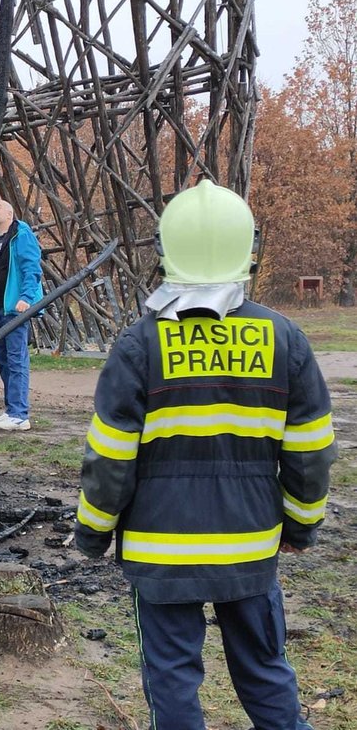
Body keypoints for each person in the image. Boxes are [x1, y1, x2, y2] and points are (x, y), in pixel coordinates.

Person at [75, 180, 336, 730]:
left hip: (162, 549)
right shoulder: (284, 339)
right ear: (249, 250)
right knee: (265, 667)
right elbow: (311, 453)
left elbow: (110, 458)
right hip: (250, 546)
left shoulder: (138, 346)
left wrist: (93, 533)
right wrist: (302, 525)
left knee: (171, 678)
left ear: (166, 250)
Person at [0, 198, 42, 431]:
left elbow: (32, 268)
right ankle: (11, 410)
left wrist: (26, 298)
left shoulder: (21, 234)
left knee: (17, 360)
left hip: (14, 308)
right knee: (3, 361)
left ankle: (20, 414)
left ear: (10, 213)